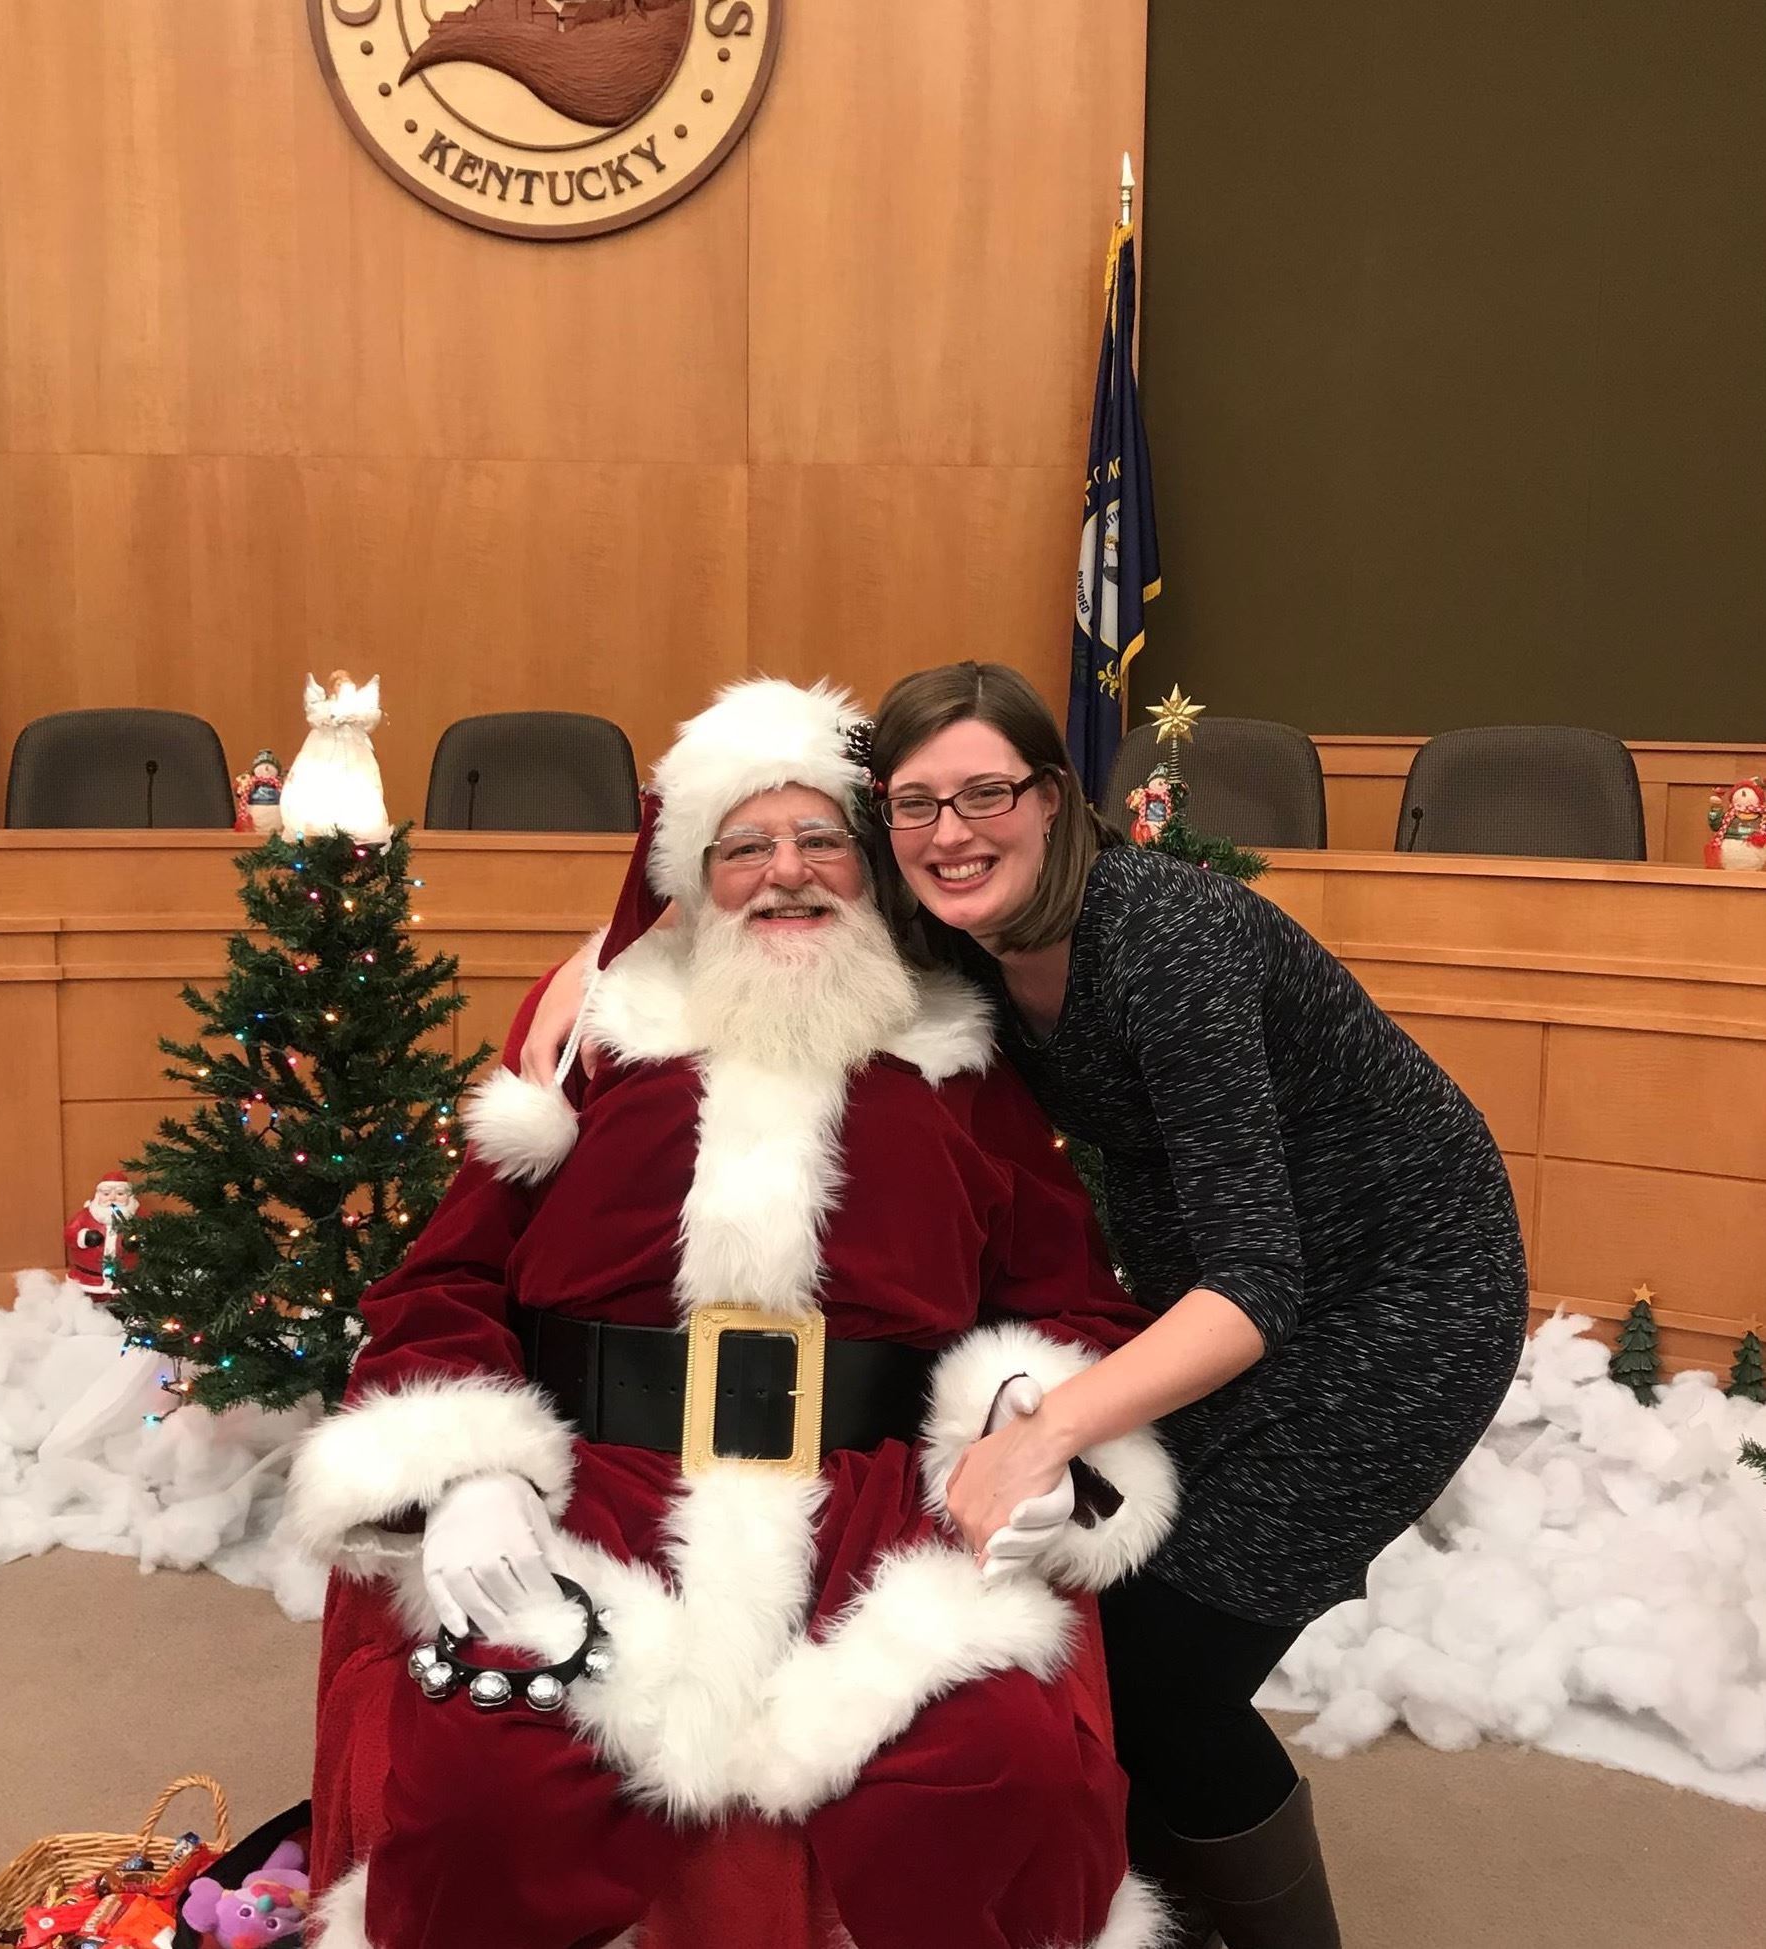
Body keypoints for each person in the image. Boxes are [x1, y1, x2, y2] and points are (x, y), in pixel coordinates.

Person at [527, 662, 1531, 1949]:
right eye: (916, 803)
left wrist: (1044, 1428)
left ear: (1054, 799)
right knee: (1112, 1630)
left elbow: (1259, 1286)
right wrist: (595, 962)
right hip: (1219, 1284)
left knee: (1171, 1675)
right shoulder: (961, 929)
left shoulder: (1168, 939)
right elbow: (755, 862)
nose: (952, 832)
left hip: (1395, 1299)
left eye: (987, 792)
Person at [287, 678, 1178, 1949]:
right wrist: (471, 1471)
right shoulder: (587, 1047)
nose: (786, 872)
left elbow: (1065, 1295)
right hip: (599, 1493)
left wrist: (1033, 1429)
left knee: (1002, 1773)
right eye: (745, 846)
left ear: (869, 870)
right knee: (492, 1783)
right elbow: (439, 1280)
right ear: (694, 879)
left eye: (821, 840)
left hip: (876, 1509)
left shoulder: (958, 1064)